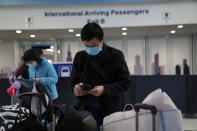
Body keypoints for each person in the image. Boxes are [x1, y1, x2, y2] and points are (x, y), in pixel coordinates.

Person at [71, 22, 130, 127]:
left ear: (102, 39)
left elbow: (125, 82)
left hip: (111, 109)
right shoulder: (80, 57)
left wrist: (104, 89)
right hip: (87, 109)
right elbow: (73, 82)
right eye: (86, 46)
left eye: (93, 46)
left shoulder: (116, 55)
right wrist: (76, 89)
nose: (90, 49)